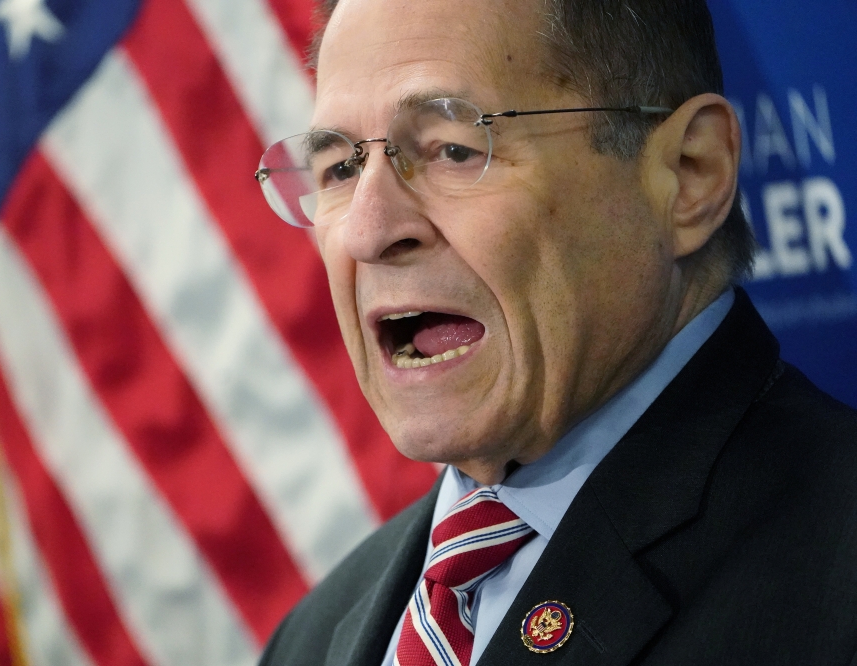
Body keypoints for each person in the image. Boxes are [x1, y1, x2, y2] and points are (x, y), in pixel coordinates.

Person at [253, 0, 857, 663]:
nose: (368, 231)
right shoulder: (312, 639)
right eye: (339, 167)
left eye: (452, 148)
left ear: (691, 173)